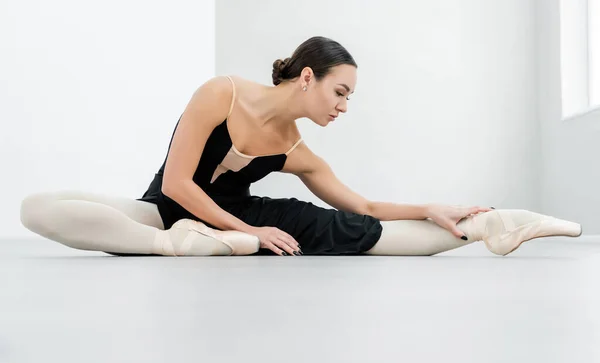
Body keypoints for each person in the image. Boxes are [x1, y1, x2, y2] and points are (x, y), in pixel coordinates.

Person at [19, 36, 582, 257]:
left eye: (350, 98)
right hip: (168, 210)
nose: (343, 106)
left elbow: (361, 207)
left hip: (234, 220)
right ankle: (182, 244)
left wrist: (435, 207)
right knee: (36, 209)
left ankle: (492, 227)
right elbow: (175, 184)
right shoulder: (221, 93)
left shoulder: (297, 151)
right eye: (340, 91)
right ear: (307, 76)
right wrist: (243, 233)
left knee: (346, 232)